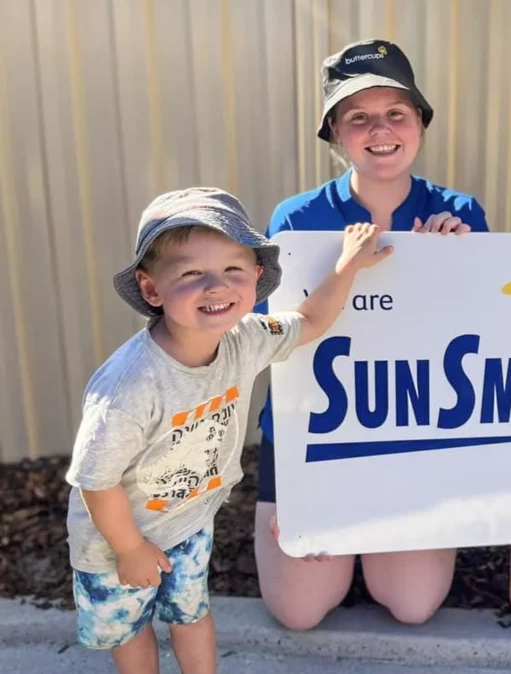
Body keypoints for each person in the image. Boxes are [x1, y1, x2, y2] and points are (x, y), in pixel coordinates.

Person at [65, 187, 390, 673]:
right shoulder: (129, 386)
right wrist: (130, 549)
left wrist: (347, 266)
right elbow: (97, 479)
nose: (216, 286)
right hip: (115, 539)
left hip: (189, 522)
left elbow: (309, 319)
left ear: (256, 280)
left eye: (233, 271)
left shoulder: (248, 340)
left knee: (191, 613)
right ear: (151, 288)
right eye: (192, 273)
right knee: (131, 631)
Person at [253, 38, 488, 631]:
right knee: (299, 611)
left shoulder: (459, 214)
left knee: (412, 605)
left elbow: (487, 333)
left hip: (413, 426)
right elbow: (277, 338)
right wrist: (301, 489)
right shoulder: (296, 220)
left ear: (420, 125)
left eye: (395, 114)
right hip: (317, 433)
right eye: (358, 117)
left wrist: (455, 263)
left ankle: (377, 546)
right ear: (334, 132)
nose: (379, 130)